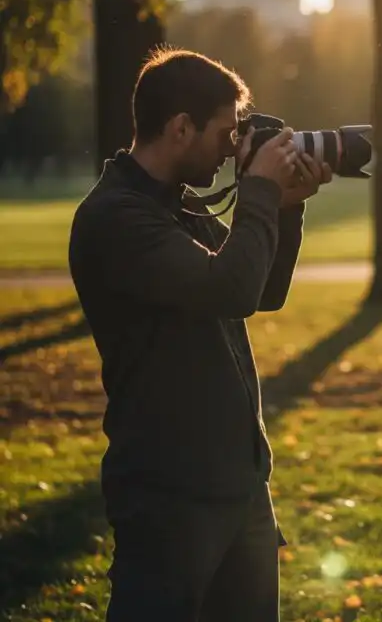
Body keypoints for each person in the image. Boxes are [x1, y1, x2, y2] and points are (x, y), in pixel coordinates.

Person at [68, 47, 332, 621]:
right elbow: (229, 289)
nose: (233, 148)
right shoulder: (116, 217)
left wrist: (285, 207)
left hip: (238, 482)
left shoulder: (179, 206)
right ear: (181, 128)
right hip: (169, 490)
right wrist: (258, 191)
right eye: (226, 133)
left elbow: (261, 291)